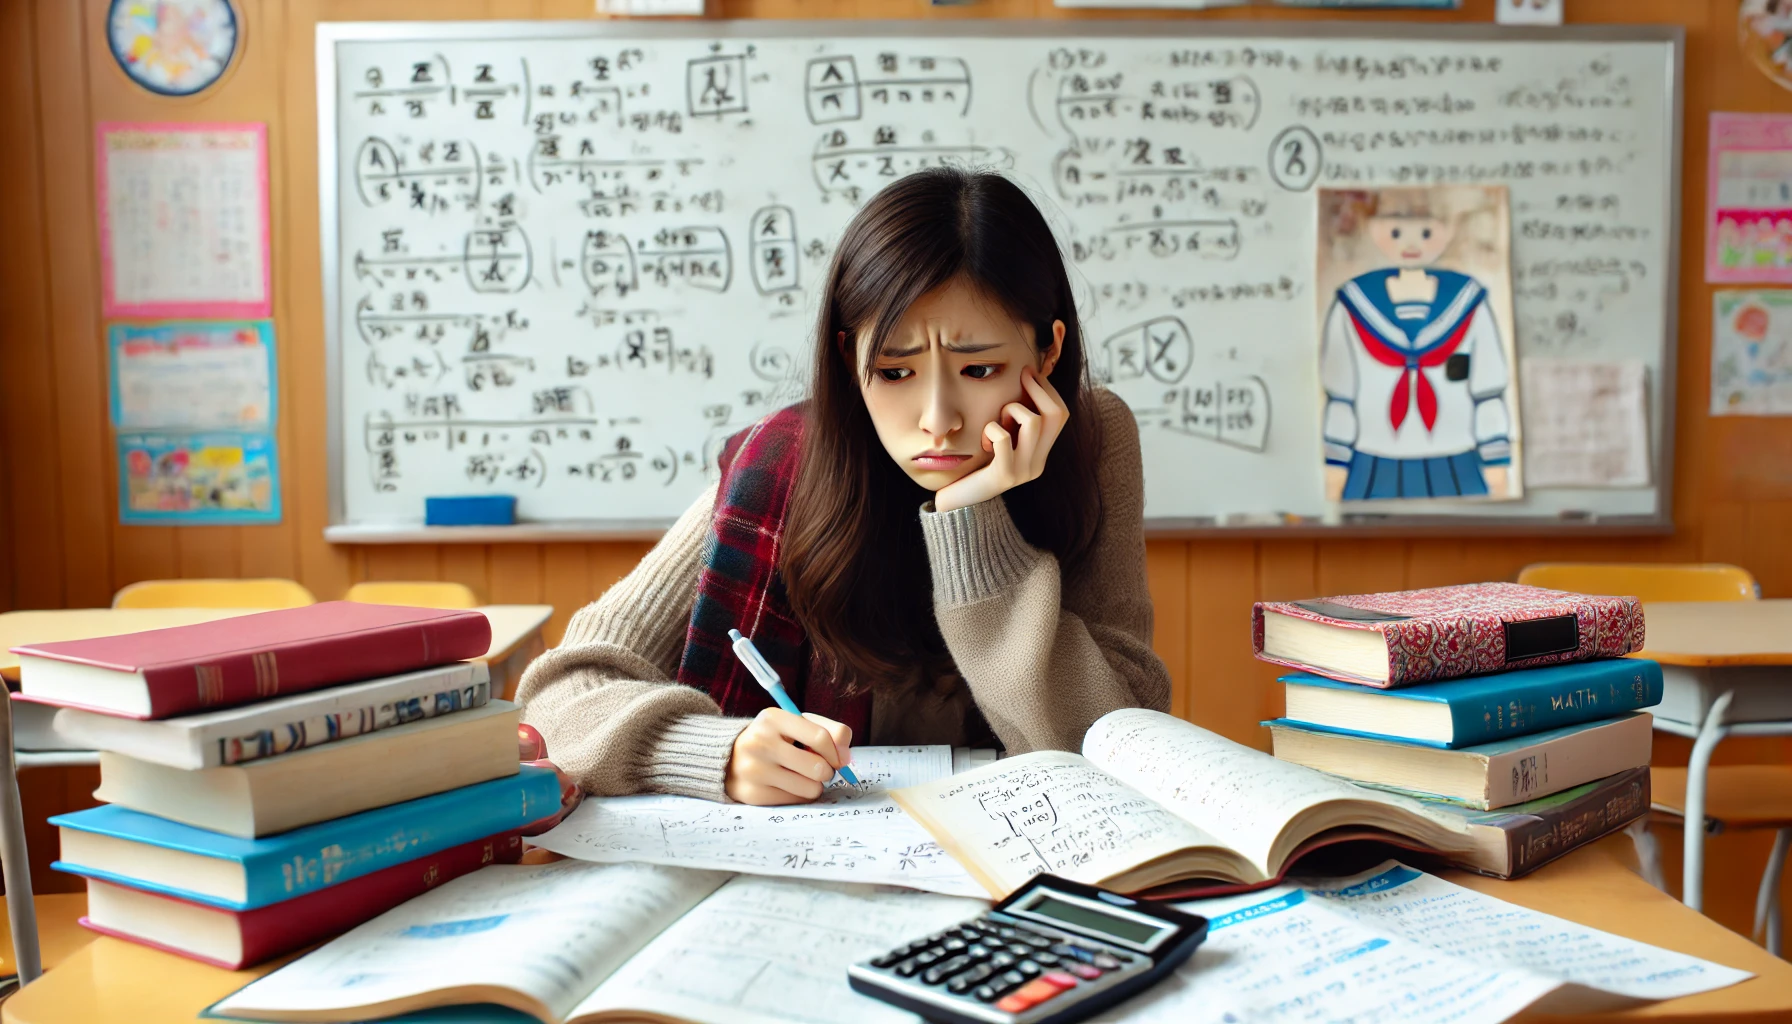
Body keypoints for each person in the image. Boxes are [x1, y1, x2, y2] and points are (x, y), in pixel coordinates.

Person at [518, 167, 1171, 807]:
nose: (937, 420)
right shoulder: (789, 459)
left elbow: (1118, 739)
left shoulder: (1090, 443)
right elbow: (561, 694)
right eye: (893, 372)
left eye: (979, 368)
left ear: (1048, 352)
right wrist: (717, 752)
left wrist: (972, 519)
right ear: (847, 359)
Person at [1320, 188, 1512, 502]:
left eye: (1426, 232)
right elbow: (1341, 393)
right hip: (1372, 461)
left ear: (1449, 229)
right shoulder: (1352, 303)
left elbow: (1488, 387)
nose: (1410, 244)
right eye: (1395, 232)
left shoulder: (1469, 301)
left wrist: (1496, 460)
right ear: (1371, 229)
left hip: (1455, 460)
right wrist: (1335, 463)